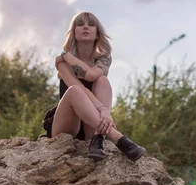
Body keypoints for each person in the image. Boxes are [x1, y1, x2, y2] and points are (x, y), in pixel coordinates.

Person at [50, 11, 146, 162]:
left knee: (103, 81)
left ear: (97, 33)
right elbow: (81, 88)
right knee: (75, 90)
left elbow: (91, 75)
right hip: (67, 125)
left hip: (91, 126)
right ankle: (118, 138)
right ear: (74, 33)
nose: (86, 27)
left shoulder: (103, 59)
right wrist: (103, 109)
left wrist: (104, 110)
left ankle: (98, 137)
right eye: (80, 24)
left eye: (91, 25)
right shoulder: (63, 62)